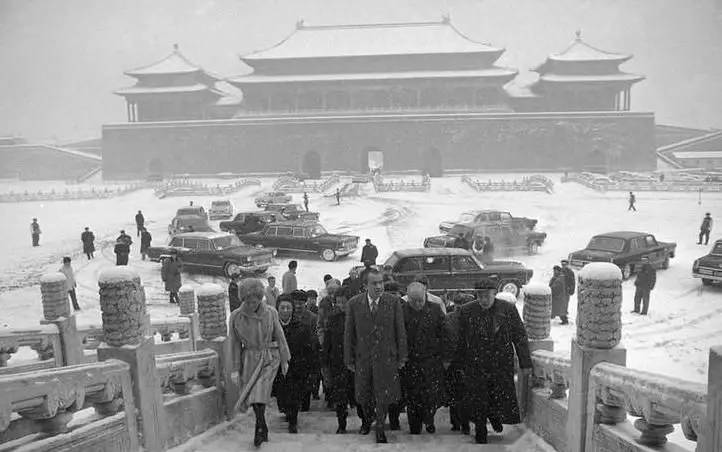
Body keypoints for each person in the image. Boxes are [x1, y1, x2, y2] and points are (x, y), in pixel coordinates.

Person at [456, 279, 532, 444]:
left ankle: (495, 416)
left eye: (487, 296)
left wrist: (525, 362)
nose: (483, 300)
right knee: (478, 397)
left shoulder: (507, 309)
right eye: (480, 296)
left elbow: (519, 336)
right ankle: (480, 431)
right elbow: (460, 340)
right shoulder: (467, 311)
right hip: (476, 363)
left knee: (498, 395)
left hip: (500, 363)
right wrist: (459, 364)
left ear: (494, 294)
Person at [344, 269, 408, 444]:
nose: (379, 286)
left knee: (383, 395)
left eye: (381, 282)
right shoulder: (354, 303)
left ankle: (380, 426)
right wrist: (348, 358)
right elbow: (349, 333)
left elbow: (400, 330)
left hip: (386, 357)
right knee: (363, 395)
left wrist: (402, 356)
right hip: (363, 357)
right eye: (374, 283)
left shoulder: (393, 302)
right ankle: (367, 419)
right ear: (365, 285)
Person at [229, 279, 290, 447]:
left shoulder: (270, 312)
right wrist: (235, 368)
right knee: (253, 396)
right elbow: (234, 344)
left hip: (268, 357)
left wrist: (284, 359)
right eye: (248, 302)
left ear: (260, 298)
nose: (251, 305)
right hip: (249, 359)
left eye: (254, 301)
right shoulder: (236, 317)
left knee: (260, 394)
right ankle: (262, 425)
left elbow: (280, 335)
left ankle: (260, 428)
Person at [397, 282, 449, 434]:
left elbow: (445, 334)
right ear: (408, 299)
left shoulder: (435, 309)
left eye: (420, 300)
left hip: (430, 361)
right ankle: (415, 426)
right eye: (414, 301)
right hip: (410, 362)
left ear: (425, 296)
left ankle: (429, 418)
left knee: (430, 396)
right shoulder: (401, 312)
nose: (418, 304)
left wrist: (445, 356)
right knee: (412, 396)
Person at [321, 285, 363, 433]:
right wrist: (325, 363)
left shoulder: (361, 317)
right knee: (340, 397)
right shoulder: (333, 319)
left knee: (360, 395)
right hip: (338, 363)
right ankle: (341, 424)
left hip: (357, 363)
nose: (341, 305)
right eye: (338, 302)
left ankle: (365, 421)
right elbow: (327, 342)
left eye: (344, 302)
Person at [272, 296, 316, 433]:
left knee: (294, 395)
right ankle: (286, 411)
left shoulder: (302, 327)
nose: (285, 311)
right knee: (281, 395)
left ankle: (293, 421)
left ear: (292, 309)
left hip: (296, 366)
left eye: (288, 308)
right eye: (282, 308)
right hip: (277, 367)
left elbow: (309, 348)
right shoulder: (271, 326)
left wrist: (309, 367)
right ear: (277, 309)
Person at [445, 293, 474, 433]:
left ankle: (461, 422)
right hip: (455, 361)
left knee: (461, 394)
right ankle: (460, 422)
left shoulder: (474, 319)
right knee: (458, 393)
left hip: (466, 361)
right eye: (458, 307)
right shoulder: (448, 319)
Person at [289, 290, 320, 411]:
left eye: (301, 303)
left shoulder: (312, 318)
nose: (298, 306)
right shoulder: (288, 315)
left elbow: (316, 336)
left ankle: (305, 403)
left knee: (306, 381)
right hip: (291, 353)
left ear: (305, 303)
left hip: (307, 354)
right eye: (295, 303)